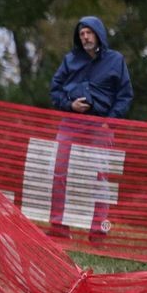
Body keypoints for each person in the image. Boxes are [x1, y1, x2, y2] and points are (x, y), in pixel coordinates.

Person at [46, 16, 134, 243]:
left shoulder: (116, 60)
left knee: (100, 176)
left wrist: (109, 121)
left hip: (100, 125)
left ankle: (99, 230)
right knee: (58, 171)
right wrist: (69, 105)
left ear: (99, 34)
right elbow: (55, 89)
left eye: (89, 32)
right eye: (81, 33)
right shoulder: (70, 60)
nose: (85, 37)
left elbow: (125, 96)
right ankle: (58, 225)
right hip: (71, 122)